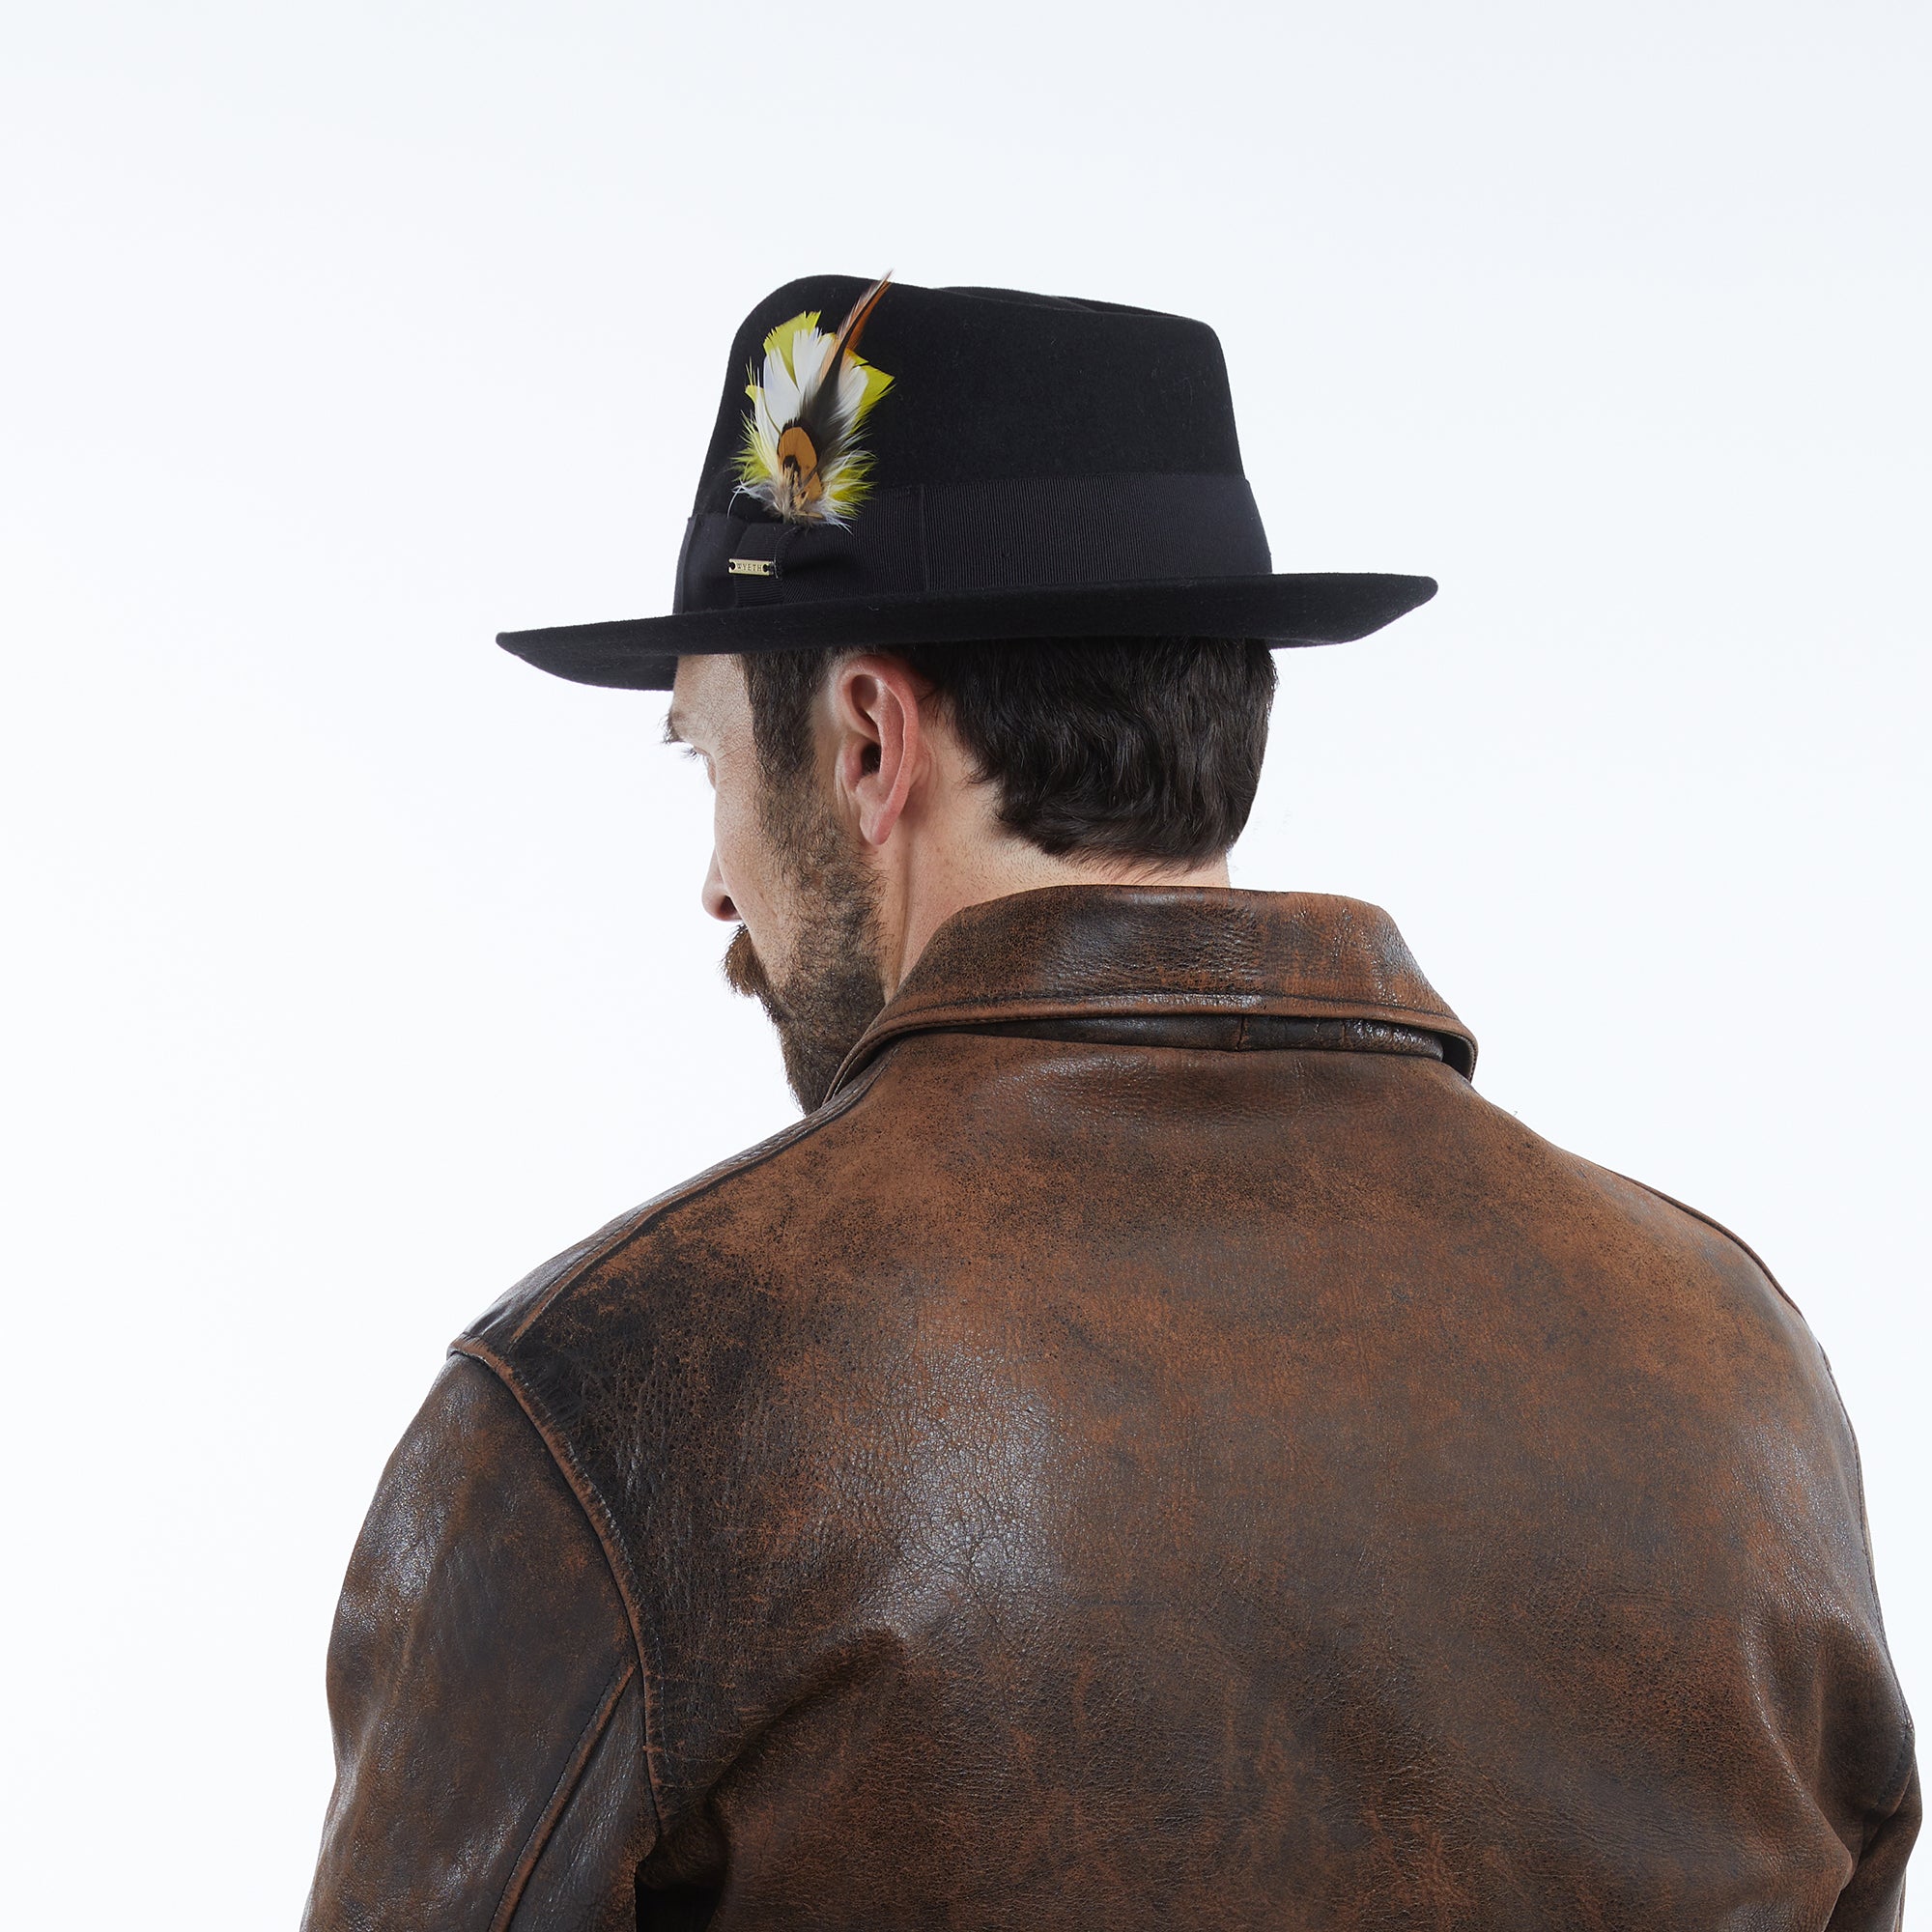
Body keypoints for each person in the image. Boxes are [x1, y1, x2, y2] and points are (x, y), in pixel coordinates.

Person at [303, 275, 1918, 1929]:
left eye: (706, 763)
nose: (717, 885)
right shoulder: (1731, 1363)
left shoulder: (623, 1398)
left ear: (867, 741)